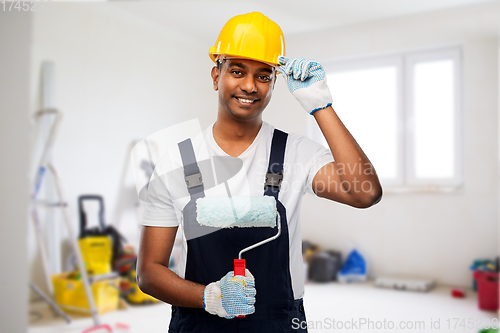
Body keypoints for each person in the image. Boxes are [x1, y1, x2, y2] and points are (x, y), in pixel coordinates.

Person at [137, 12, 382, 332]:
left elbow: (365, 193)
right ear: (216, 76)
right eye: (237, 71)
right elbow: (149, 272)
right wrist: (208, 296)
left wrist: (321, 106)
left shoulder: (296, 153)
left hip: (278, 323)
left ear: (274, 83)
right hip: (198, 321)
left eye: (264, 75)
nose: (250, 86)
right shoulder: (178, 162)